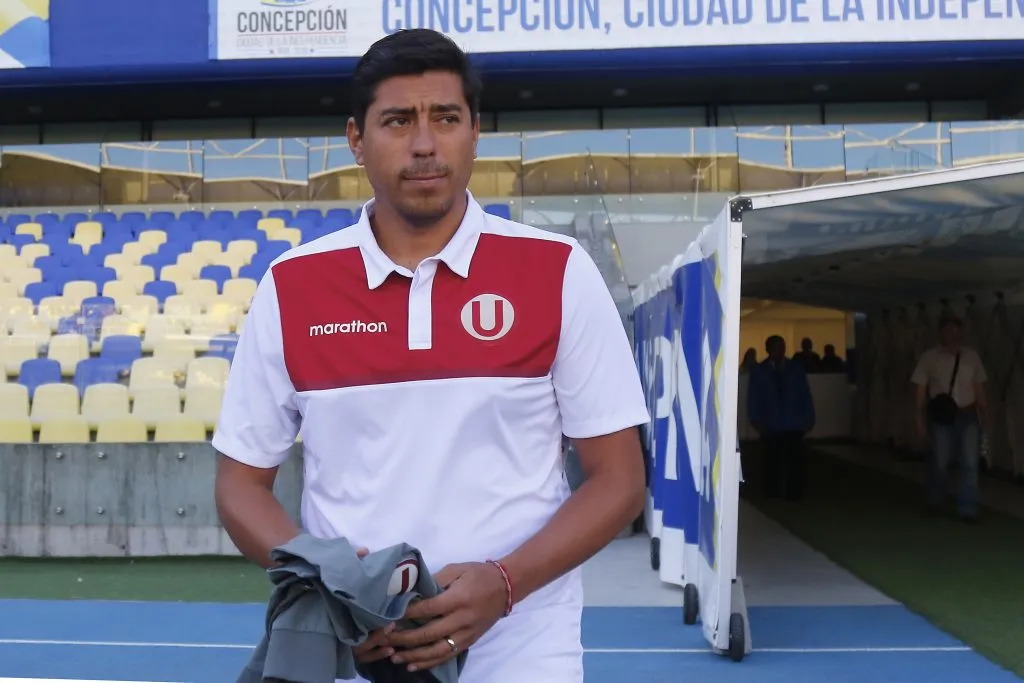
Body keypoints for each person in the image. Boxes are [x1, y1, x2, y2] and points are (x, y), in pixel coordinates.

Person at [211, 28, 649, 683]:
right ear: (356, 139)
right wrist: (337, 591)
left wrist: (505, 583)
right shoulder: (291, 286)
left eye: (445, 118)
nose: (424, 144)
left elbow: (619, 479)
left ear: (476, 131)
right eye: (397, 121)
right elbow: (240, 485)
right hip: (354, 658)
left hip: (523, 654)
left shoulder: (558, 272)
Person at [911, 314, 988, 522]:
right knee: (941, 460)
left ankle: (968, 508)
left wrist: (984, 414)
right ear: (941, 332)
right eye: (950, 330)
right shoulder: (929, 358)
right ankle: (935, 498)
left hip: (968, 414)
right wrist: (919, 421)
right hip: (942, 417)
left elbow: (979, 388)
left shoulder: (972, 357)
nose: (955, 335)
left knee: (970, 462)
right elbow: (920, 391)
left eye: (958, 330)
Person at [747, 335, 816, 500]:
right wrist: (755, 419)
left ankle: (795, 493)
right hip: (771, 423)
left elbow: (805, 394)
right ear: (768, 349)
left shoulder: (795, 368)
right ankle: (772, 493)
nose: (779, 351)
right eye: (776, 347)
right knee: (772, 461)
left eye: (782, 347)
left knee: (795, 461)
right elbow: (753, 397)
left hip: (793, 422)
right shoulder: (759, 371)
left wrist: (809, 418)